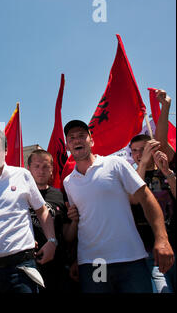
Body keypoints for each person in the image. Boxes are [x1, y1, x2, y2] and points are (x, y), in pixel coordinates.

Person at [62, 119, 174, 293]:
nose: (77, 140)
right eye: (72, 138)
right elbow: (82, 221)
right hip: (95, 263)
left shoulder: (115, 164)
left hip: (131, 259)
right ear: (67, 146)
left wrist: (162, 238)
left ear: (91, 140)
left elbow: (145, 198)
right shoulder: (68, 183)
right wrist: (77, 258)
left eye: (82, 136)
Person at [0, 128, 57, 293]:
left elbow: (42, 211)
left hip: (20, 270)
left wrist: (51, 241)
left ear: (5, 150)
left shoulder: (23, 176)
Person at [130, 134, 176, 292]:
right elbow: (134, 199)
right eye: (134, 151)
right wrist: (142, 164)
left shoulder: (168, 170)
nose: (138, 154)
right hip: (151, 252)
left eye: (143, 149)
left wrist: (167, 172)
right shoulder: (130, 176)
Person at [27, 149, 77, 292]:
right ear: (28, 169)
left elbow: (68, 236)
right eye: (36, 166)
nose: (41, 171)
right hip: (27, 266)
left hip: (57, 266)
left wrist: (75, 221)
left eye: (45, 166)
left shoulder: (61, 196)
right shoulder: (21, 196)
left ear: (52, 170)